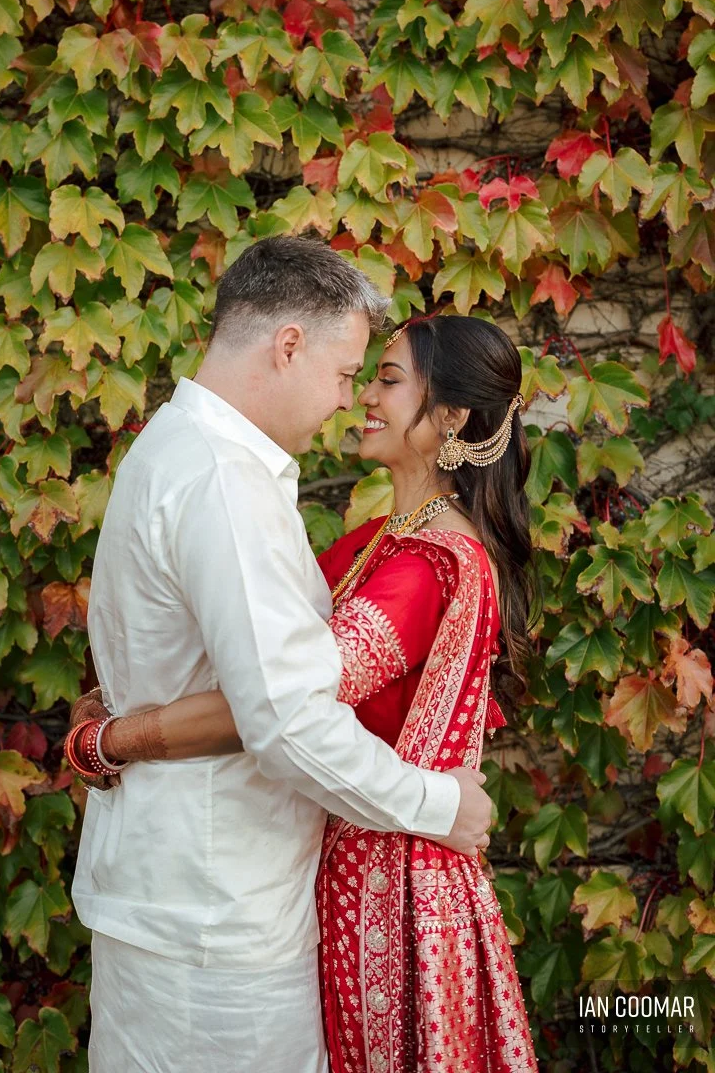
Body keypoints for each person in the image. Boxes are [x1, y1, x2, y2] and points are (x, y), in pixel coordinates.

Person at [67, 237, 494, 1073]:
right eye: (345, 374)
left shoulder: (169, 443)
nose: (348, 401)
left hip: (175, 893)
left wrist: (111, 728)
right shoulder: (226, 481)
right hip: (218, 919)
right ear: (287, 345)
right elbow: (287, 717)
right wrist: (441, 806)